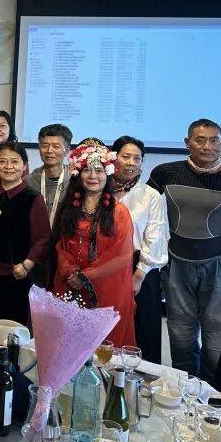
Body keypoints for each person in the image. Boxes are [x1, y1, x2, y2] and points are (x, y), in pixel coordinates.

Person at [148, 119, 221, 377]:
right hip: (177, 264)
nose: (207, 146)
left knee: (218, 334)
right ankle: (184, 387)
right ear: (187, 143)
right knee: (180, 332)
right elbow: (144, 213)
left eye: (214, 140)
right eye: (200, 140)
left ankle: (214, 391)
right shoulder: (164, 174)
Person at [53, 143, 136, 347]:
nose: (92, 176)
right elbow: (62, 245)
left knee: (104, 344)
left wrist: (85, 277)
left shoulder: (119, 211)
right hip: (71, 282)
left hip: (106, 286)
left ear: (107, 174)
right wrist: (72, 273)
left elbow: (121, 255)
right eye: (87, 170)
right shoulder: (69, 207)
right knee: (70, 343)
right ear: (78, 174)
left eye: (99, 171)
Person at [0, 144, 51, 324]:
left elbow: (43, 238)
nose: (8, 167)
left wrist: (27, 265)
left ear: (24, 165)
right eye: (2, 161)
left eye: (14, 162)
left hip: (16, 273)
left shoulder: (33, 198)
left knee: (11, 326)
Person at [112, 135, 169, 364]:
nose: (131, 163)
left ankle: (144, 378)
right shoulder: (99, 188)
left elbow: (155, 236)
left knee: (143, 328)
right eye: (125, 156)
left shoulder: (150, 195)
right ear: (113, 158)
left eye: (137, 158)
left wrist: (139, 275)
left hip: (140, 268)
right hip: (105, 266)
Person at [27, 124, 73, 228]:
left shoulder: (75, 180)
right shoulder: (28, 182)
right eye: (44, 146)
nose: (49, 150)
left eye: (56, 146)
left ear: (67, 150)